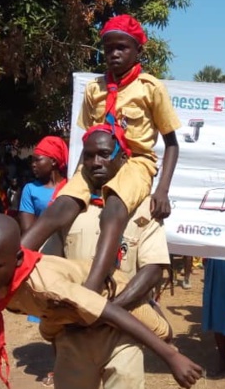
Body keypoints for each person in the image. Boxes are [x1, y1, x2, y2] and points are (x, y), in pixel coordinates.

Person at [0, 214, 202, 389]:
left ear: (16, 260)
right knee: (55, 328)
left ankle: (158, 318)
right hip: (54, 312)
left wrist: (172, 358)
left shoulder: (46, 283)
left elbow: (112, 311)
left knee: (158, 332)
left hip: (102, 294)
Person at [50, 125, 173, 389]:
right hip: (74, 335)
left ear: (122, 159)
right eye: (90, 156)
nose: (98, 162)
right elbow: (50, 269)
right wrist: (75, 314)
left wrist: (103, 310)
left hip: (121, 335)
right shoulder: (68, 209)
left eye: (105, 155)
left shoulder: (141, 208)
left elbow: (151, 271)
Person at [22, 15, 181, 294]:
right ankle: (15, 261)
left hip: (135, 161)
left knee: (114, 209)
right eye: (108, 49)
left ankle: (93, 286)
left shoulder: (150, 88)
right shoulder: (94, 88)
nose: (114, 54)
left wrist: (163, 189)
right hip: (95, 160)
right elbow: (87, 140)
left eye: (122, 48)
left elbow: (171, 143)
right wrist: (74, 180)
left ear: (138, 51)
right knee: (60, 205)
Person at [18, 136, 69, 238]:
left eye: (38, 160)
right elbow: (27, 230)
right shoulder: (30, 189)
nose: (33, 165)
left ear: (53, 161)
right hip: (42, 247)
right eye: (32, 161)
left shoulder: (70, 186)